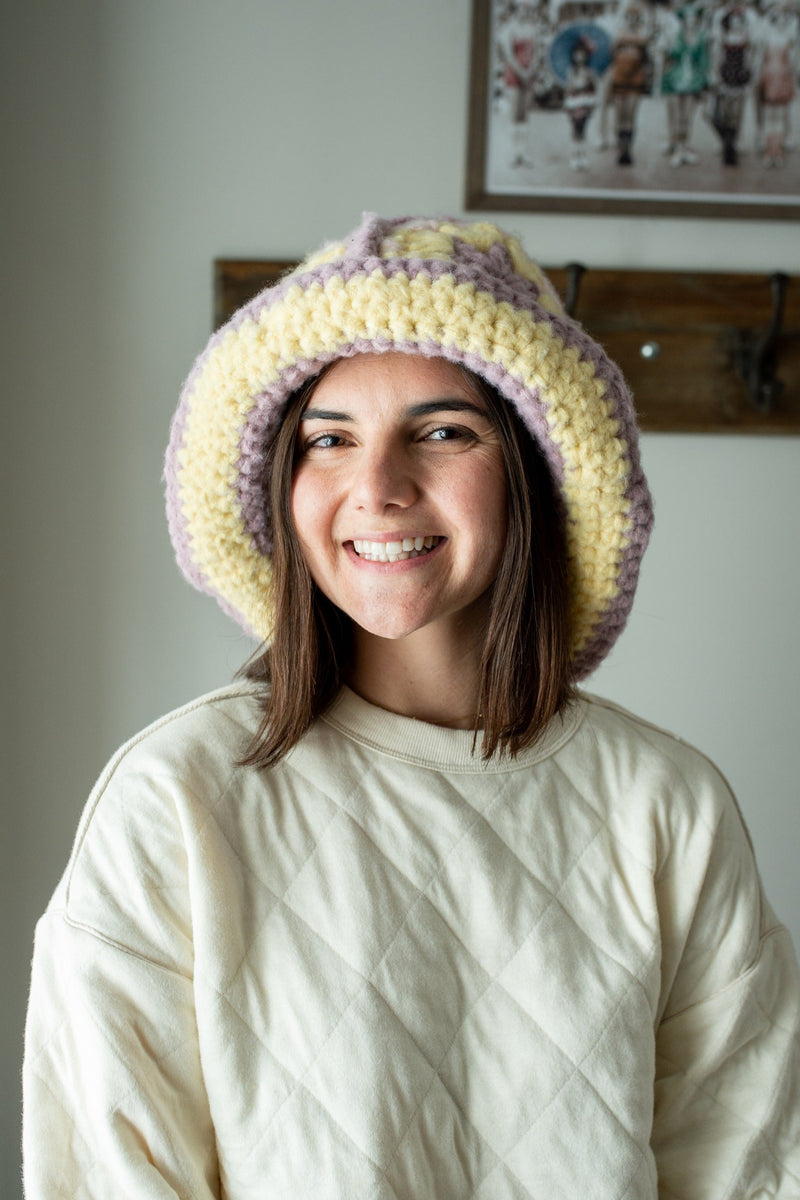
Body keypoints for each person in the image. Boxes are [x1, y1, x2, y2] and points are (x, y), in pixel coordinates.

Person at [23, 214, 800, 1197]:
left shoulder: (669, 808)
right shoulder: (172, 800)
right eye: (329, 439)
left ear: (532, 476)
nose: (378, 487)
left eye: (441, 432)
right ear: (282, 487)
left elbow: (746, 1168)